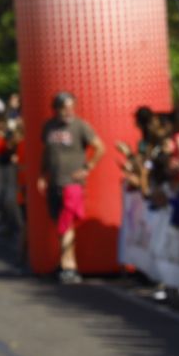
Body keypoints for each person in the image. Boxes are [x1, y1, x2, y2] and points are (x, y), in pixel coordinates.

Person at [37, 90, 105, 284]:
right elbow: (46, 153)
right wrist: (42, 175)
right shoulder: (49, 127)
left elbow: (100, 147)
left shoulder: (80, 126)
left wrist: (88, 167)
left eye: (70, 107)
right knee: (60, 224)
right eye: (63, 107)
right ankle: (64, 262)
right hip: (54, 181)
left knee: (66, 225)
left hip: (72, 183)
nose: (67, 111)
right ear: (55, 109)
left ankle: (69, 266)